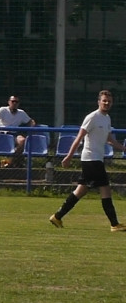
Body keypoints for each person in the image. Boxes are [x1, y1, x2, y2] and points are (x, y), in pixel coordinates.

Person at [49, 90, 126, 232]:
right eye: (104, 100)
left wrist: (122, 148)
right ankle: (114, 224)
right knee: (105, 190)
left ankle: (57, 216)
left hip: (96, 159)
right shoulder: (92, 117)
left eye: (109, 101)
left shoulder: (107, 118)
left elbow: (109, 140)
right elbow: (78, 138)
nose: (107, 103)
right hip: (91, 159)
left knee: (81, 190)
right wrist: (69, 157)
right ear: (99, 102)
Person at [0, 95, 36, 167]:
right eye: (13, 101)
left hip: (13, 134)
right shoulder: (3, 109)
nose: (14, 103)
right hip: (0, 132)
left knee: (22, 140)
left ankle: (11, 160)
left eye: (16, 102)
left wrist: (31, 127)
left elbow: (31, 121)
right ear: (9, 102)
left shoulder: (21, 113)